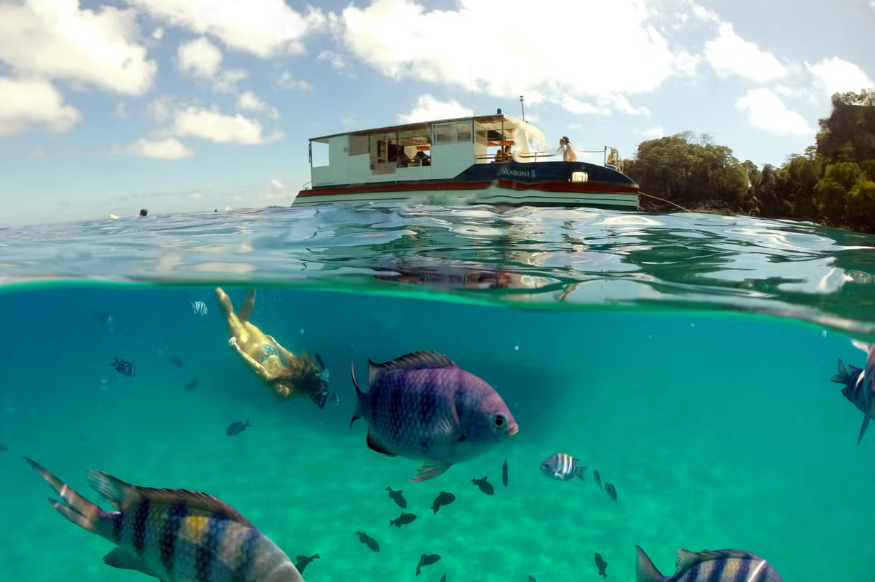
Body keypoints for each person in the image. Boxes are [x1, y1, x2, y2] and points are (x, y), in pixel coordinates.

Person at [214, 287, 329, 408]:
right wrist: (238, 351)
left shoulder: (305, 375)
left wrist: (277, 345)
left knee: (241, 319)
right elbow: (260, 371)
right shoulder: (285, 393)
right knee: (230, 315)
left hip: (270, 349)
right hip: (255, 354)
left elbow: (292, 359)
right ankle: (215, 285)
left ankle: (252, 288)